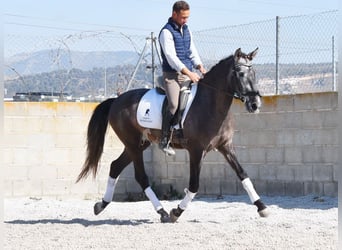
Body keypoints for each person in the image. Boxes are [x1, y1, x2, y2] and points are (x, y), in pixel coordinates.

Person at [159, 0, 206, 155]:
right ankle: (164, 139)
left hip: (188, 73)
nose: (185, 20)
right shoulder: (166, 32)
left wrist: (200, 67)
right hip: (172, 76)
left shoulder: (187, 30)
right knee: (173, 104)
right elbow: (172, 58)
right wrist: (190, 73)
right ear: (174, 14)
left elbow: (192, 51)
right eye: (183, 17)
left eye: (187, 17)